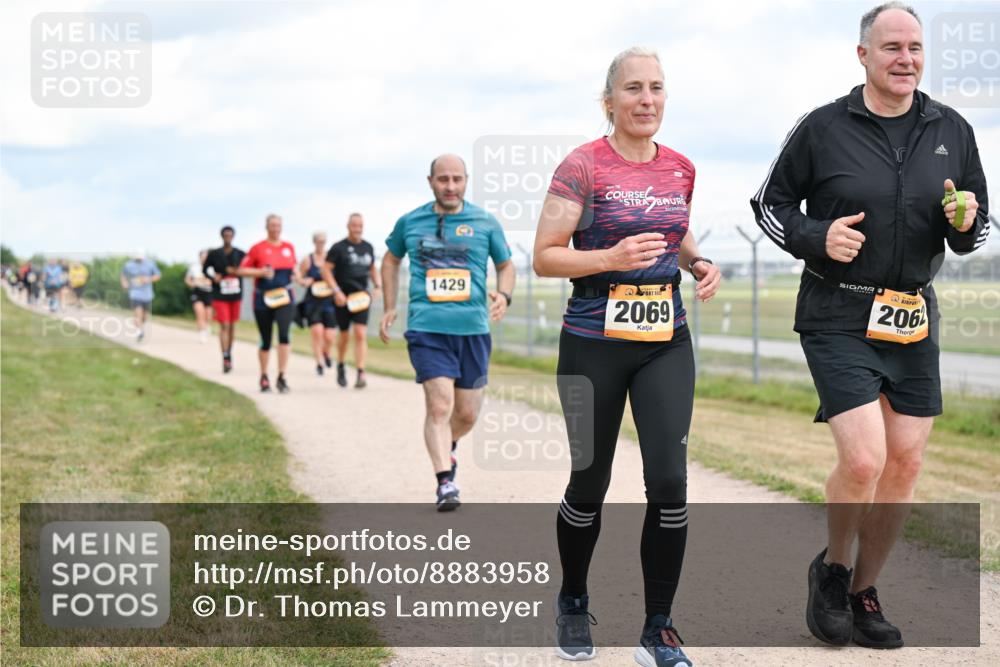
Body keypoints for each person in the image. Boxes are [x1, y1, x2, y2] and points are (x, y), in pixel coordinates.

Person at [750, 2, 990, 650]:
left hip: (912, 314)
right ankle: (831, 570)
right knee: (863, 458)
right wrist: (816, 236)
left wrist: (966, 222)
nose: (905, 59)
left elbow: (974, 227)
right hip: (838, 311)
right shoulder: (823, 127)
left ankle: (864, 590)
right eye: (891, 47)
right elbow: (770, 204)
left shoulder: (953, 129)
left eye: (915, 47)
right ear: (863, 55)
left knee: (905, 461)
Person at [534, 47, 721, 666]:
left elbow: (674, 229)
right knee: (590, 481)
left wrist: (697, 261)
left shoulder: (681, 168)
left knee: (669, 481)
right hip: (593, 342)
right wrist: (609, 258)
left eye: (656, 87)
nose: (647, 99)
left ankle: (658, 628)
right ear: (609, 100)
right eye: (634, 88)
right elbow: (545, 255)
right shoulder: (582, 166)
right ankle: (572, 599)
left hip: (666, 339)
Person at [380, 154, 515, 511]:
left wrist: (504, 295)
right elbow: (390, 259)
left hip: (473, 329)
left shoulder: (485, 222)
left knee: (466, 414)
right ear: (431, 182)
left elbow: (506, 265)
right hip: (427, 328)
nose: (450, 186)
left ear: (466, 180)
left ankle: (446, 447)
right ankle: (445, 483)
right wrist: (391, 305)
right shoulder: (410, 222)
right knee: (440, 405)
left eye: (457, 179)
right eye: (443, 179)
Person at [238, 214, 301, 393]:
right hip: (263, 298)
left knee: (284, 335)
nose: (276, 229)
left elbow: (294, 268)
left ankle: (281, 376)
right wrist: (260, 273)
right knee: (265, 339)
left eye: (278, 225)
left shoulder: (288, 247)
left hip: (284, 297)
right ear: (267, 227)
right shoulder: (257, 248)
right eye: (273, 225)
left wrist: (298, 276)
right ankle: (264, 375)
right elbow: (242, 270)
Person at [323, 213, 380, 388]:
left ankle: (361, 371)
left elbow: (372, 269)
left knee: (360, 334)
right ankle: (341, 364)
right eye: (354, 225)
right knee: (345, 335)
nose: (357, 229)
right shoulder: (338, 248)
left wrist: (377, 286)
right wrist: (336, 291)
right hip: (343, 298)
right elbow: (326, 270)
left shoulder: (368, 247)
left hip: (361, 297)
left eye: (360, 226)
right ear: (348, 226)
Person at [204, 226, 246, 373]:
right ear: (222, 236)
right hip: (220, 294)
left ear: (233, 236)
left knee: (232, 325)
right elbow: (205, 269)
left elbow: (248, 267)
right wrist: (213, 277)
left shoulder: (240, 253)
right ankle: (225, 356)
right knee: (224, 325)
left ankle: (229, 352)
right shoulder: (214, 254)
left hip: (235, 293)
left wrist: (237, 271)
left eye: (230, 235)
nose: (228, 237)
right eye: (225, 235)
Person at [299, 231, 337, 376]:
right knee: (317, 332)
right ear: (314, 242)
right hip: (313, 302)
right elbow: (298, 276)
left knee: (330, 336)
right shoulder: (308, 259)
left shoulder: (330, 259)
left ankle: (326, 352)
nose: (321, 244)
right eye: (319, 241)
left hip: (329, 302)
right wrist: (304, 281)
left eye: (323, 241)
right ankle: (319, 363)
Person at [120, 250, 161, 342]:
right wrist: (124, 283)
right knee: (138, 313)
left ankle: (140, 327)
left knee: (145, 316)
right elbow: (123, 275)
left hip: (147, 294)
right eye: (137, 259)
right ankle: (139, 332)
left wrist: (149, 279)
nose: (138, 260)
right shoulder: (129, 265)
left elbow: (158, 275)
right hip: (135, 293)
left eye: (140, 259)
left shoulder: (150, 264)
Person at [185, 250, 214, 343]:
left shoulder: (212, 268)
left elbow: (216, 280)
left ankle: (207, 325)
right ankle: (202, 333)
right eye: (203, 257)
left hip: (209, 292)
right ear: (200, 257)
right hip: (197, 292)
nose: (204, 259)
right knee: (199, 313)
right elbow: (187, 279)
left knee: (208, 314)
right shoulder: (194, 267)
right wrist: (192, 284)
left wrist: (210, 282)